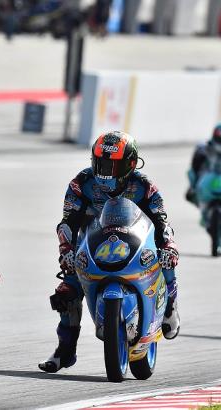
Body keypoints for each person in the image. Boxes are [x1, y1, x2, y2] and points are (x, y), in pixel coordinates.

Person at [39, 131, 180, 374]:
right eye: (100, 163)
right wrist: (65, 251)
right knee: (66, 292)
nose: (104, 172)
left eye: (112, 165)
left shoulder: (144, 187)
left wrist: (168, 246)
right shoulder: (81, 183)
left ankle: (171, 308)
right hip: (92, 245)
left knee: (167, 259)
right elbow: (67, 223)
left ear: (131, 164)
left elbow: (161, 222)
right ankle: (65, 351)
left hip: (135, 243)